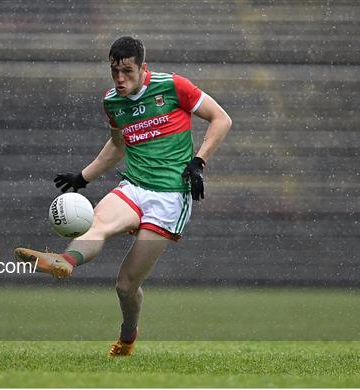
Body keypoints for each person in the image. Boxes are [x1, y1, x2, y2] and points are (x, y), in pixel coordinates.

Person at [15, 37, 231, 356]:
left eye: (127, 71)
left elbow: (221, 119)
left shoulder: (174, 87)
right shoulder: (113, 101)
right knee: (97, 222)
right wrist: (83, 176)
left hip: (171, 197)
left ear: (143, 69)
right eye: (114, 71)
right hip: (134, 185)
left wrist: (199, 162)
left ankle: (128, 337)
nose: (119, 79)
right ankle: (65, 261)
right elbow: (118, 145)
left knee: (126, 286)